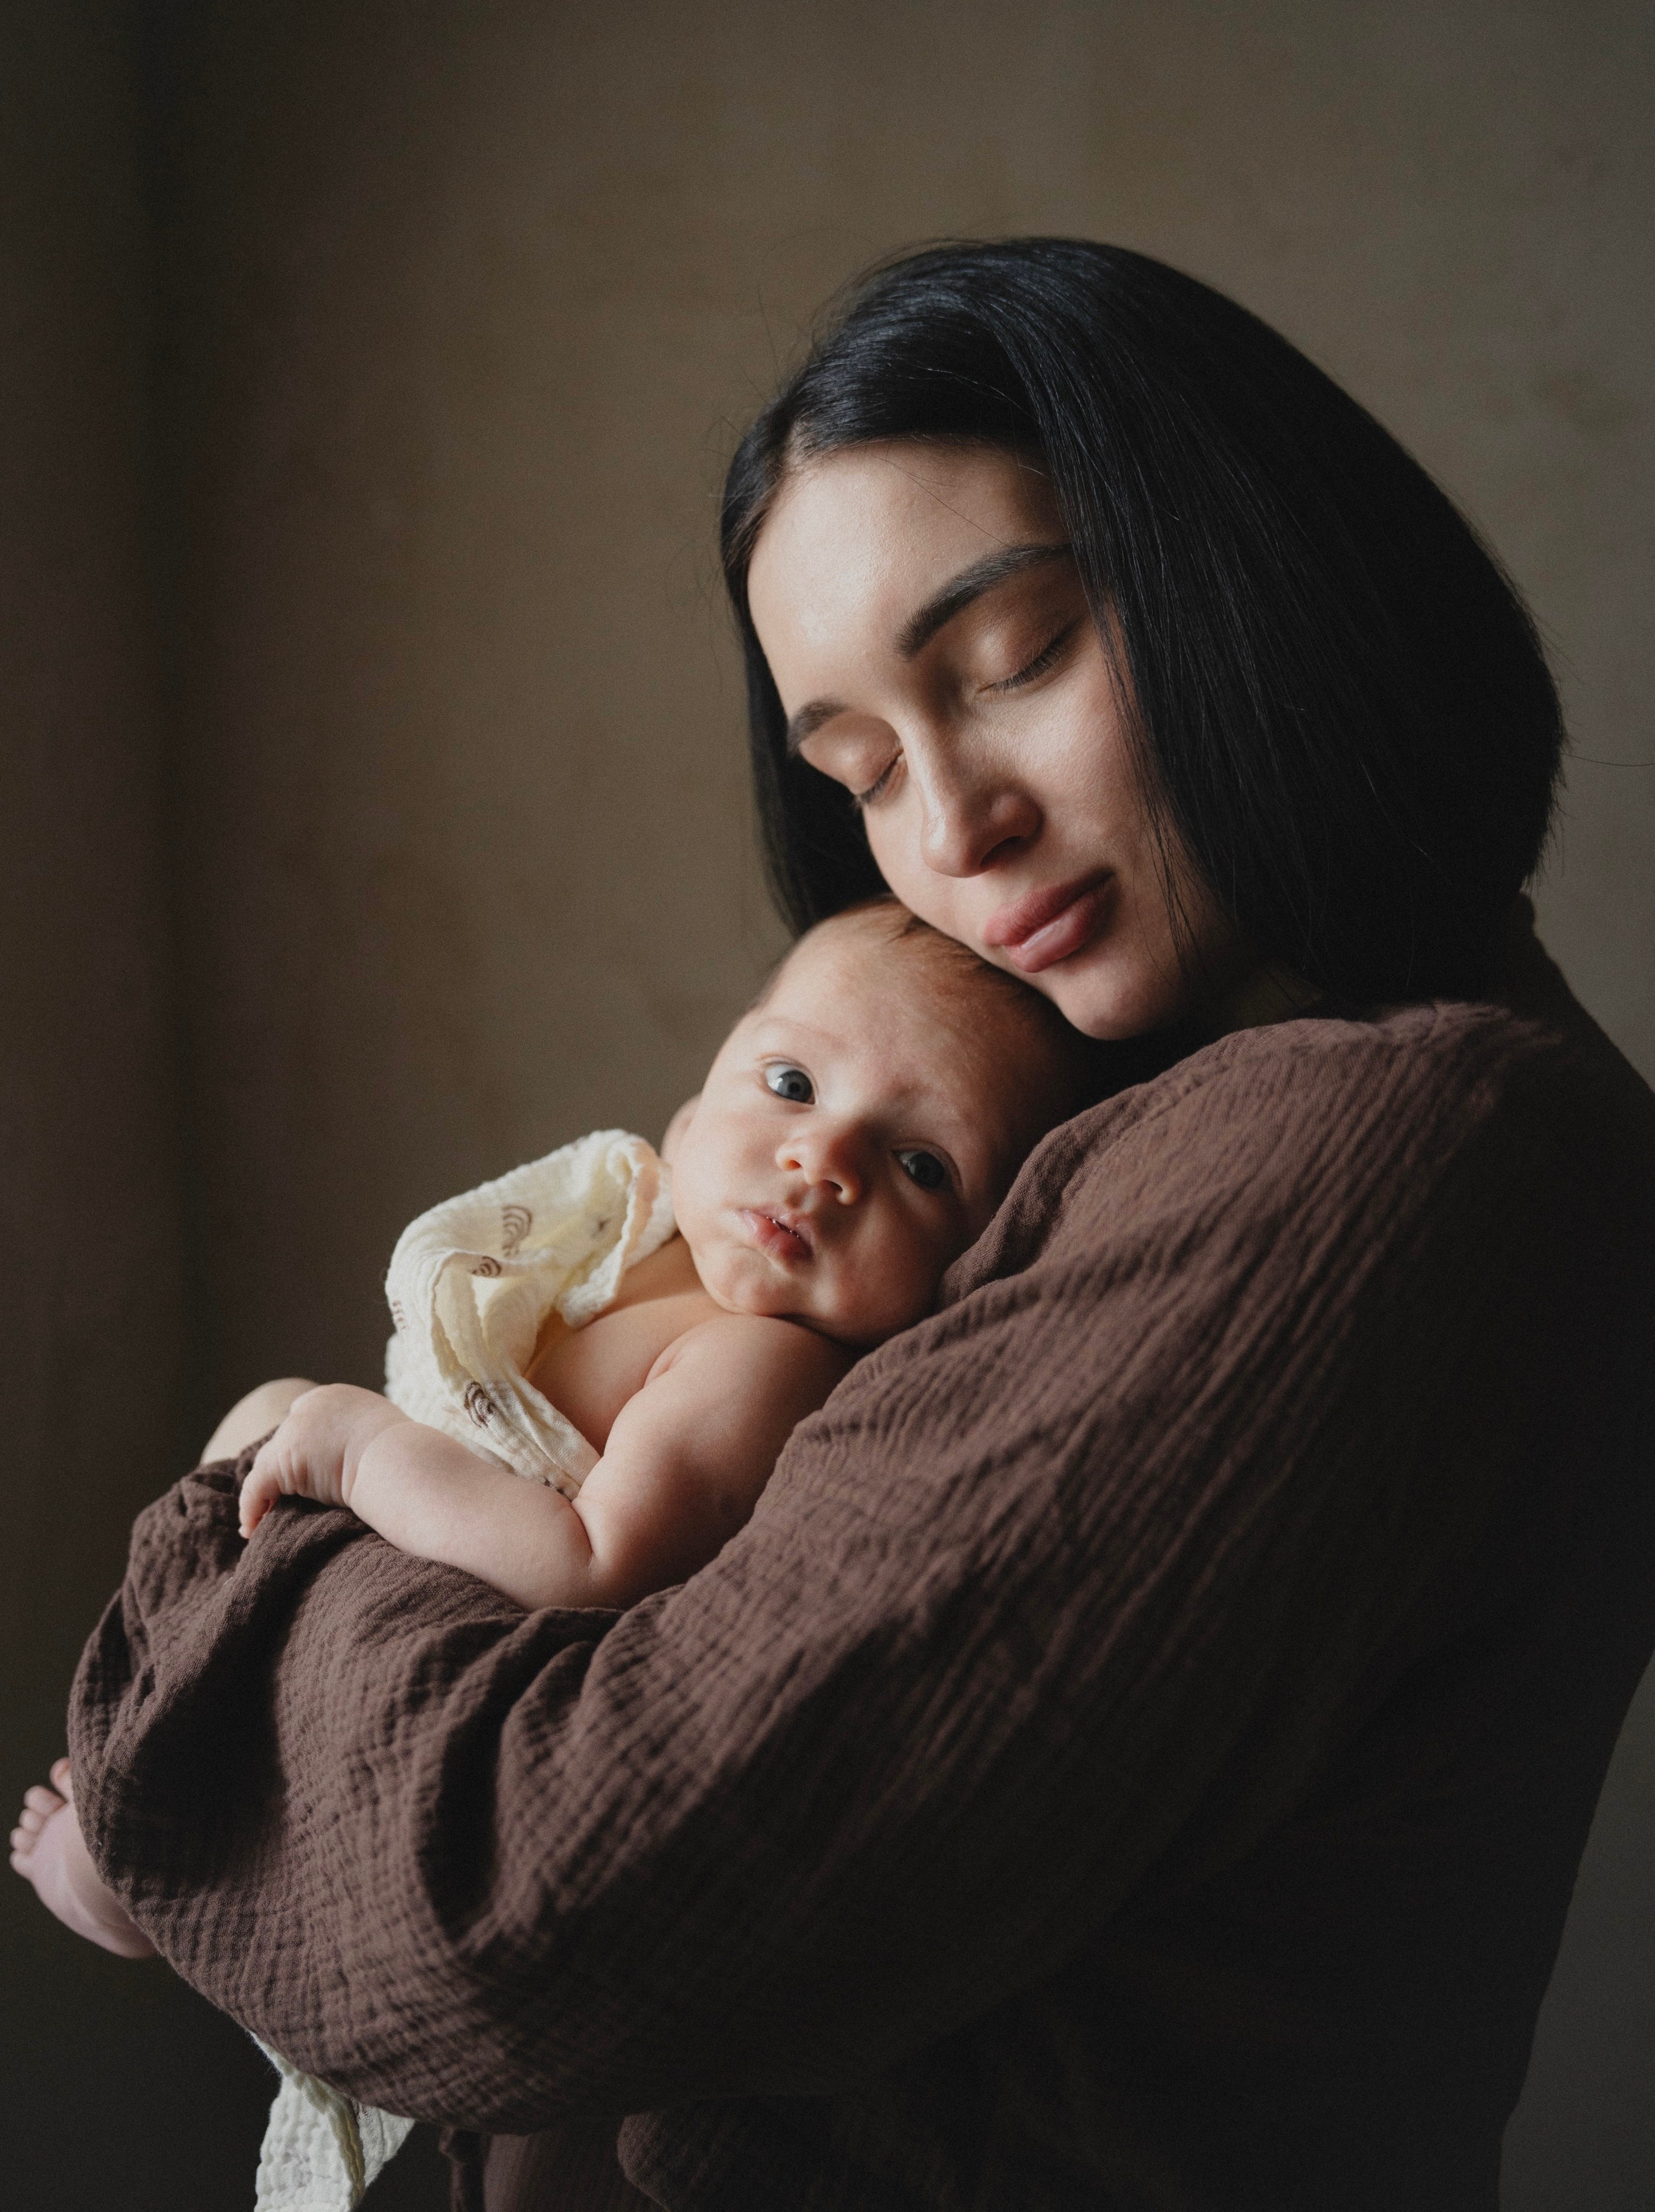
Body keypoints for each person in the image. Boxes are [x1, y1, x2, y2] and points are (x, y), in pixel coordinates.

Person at [49, 241, 1655, 2211]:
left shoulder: (1387, 1147)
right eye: (866, 766)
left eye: (1014, 660)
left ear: (1253, 567)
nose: (952, 828)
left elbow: (547, 1896)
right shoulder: (1150, 1104)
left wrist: (233, 1563)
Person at [13, 895, 1094, 1944]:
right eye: (791, 1081)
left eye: (919, 1165)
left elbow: (592, 1566)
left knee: (287, 1433)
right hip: (415, 1509)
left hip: (475, 1602)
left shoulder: (763, 1360)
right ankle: (153, 1755)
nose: (825, 1159)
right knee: (263, 1416)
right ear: (690, 1114)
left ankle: (144, 1842)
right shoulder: (637, 1235)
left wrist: (372, 1451)